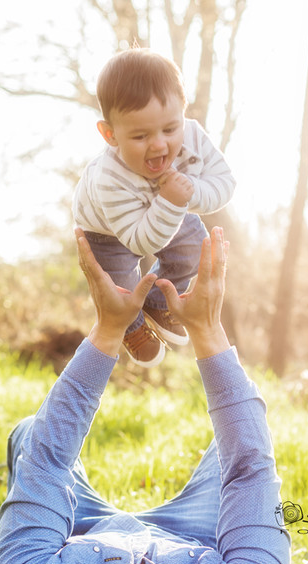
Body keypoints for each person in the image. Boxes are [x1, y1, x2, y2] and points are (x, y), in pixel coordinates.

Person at [0, 226, 291, 564]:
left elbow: (45, 462)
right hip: (199, 542)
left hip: (82, 537)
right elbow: (250, 469)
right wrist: (207, 332)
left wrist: (108, 331)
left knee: (30, 436)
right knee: (246, 446)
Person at [72, 48, 236, 368]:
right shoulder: (109, 178)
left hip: (169, 205)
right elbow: (141, 241)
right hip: (106, 231)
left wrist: (186, 195)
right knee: (119, 287)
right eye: (140, 135)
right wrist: (173, 200)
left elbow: (224, 182)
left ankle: (158, 302)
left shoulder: (193, 137)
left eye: (170, 129)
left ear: (183, 114)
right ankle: (132, 326)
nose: (159, 144)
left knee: (191, 249)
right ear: (110, 134)